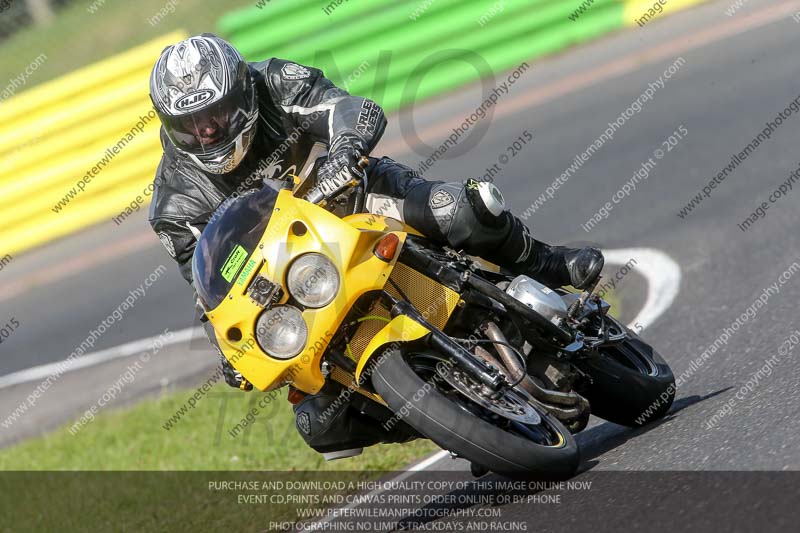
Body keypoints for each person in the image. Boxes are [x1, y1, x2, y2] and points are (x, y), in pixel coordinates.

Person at [148, 34, 603, 457]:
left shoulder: (275, 81)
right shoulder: (175, 202)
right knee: (319, 422)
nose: (205, 131)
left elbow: (351, 109)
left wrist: (343, 154)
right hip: (290, 275)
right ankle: (462, 425)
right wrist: (230, 351)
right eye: (189, 123)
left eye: (213, 115)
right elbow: (208, 290)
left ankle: (550, 265)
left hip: (350, 196)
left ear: (242, 94)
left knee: (461, 211)